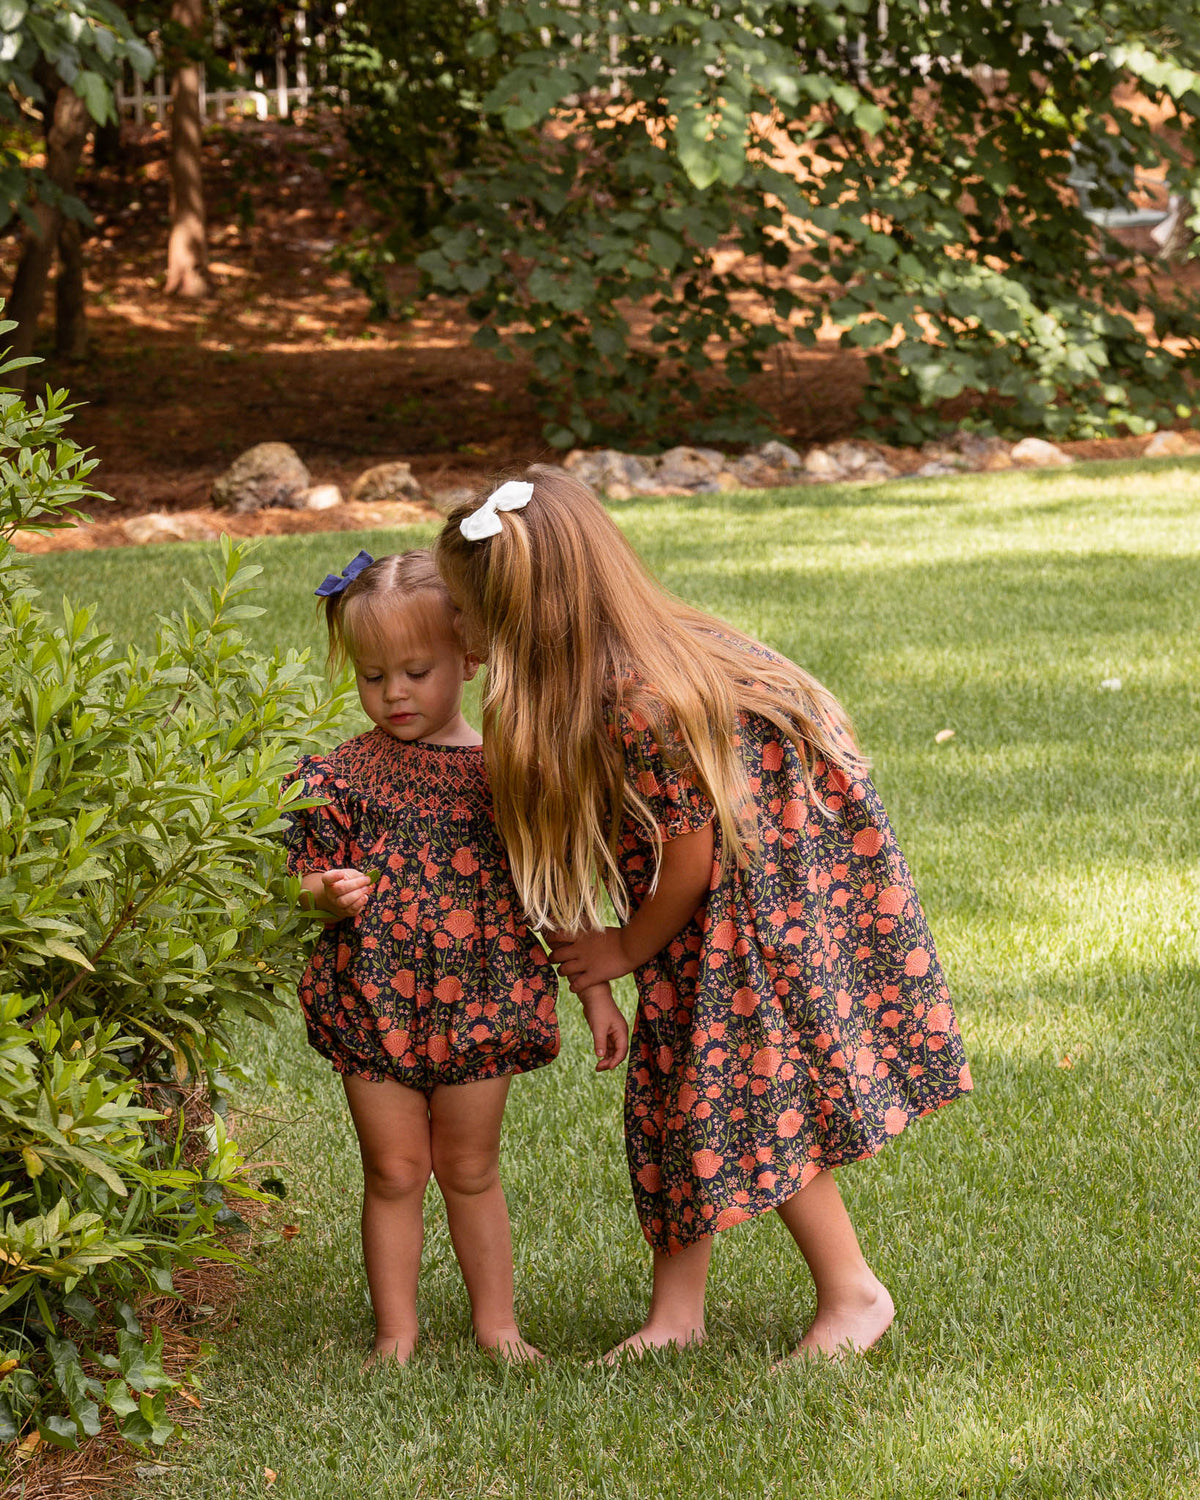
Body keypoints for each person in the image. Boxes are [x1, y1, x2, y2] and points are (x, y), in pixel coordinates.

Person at [436, 470, 973, 1363]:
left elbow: (688, 864)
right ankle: (677, 1316)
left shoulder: (637, 700)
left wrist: (624, 948)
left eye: (463, 611)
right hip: (730, 893)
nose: (457, 631)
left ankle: (854, 1291)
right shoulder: (606, 671)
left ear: (524, 616)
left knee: (752, 1092)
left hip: (751, 903)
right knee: (675, 1089)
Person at [281, 548, 618, 1364]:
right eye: (372, 676)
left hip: (483, 1001)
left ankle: (496, 1326)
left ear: (469, 658)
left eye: (416, 671)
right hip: (374, 1003)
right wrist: (321, 894)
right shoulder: (337, 777)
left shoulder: (507, 774)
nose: (393, 693)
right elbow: (293, 878)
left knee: (469, 1167)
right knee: (393, 1169)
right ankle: (396, 1333)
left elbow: (552, 897)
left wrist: (598, 996)